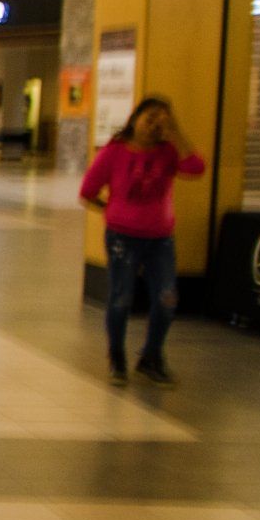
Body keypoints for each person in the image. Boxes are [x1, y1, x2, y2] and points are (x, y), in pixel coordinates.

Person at [80, 96, 206, 386]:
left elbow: (196, 168)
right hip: (122, 239)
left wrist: (176, 133)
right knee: (121, 298)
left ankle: (152, 356)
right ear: (135, 118)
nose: (153, 127)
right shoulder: (114, 152)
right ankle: (117, 357)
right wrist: (111, 211)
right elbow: (87, 191)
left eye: (161, 122)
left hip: (160, 239)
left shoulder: (168, 152)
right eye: (150, 119)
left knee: (166, 299)